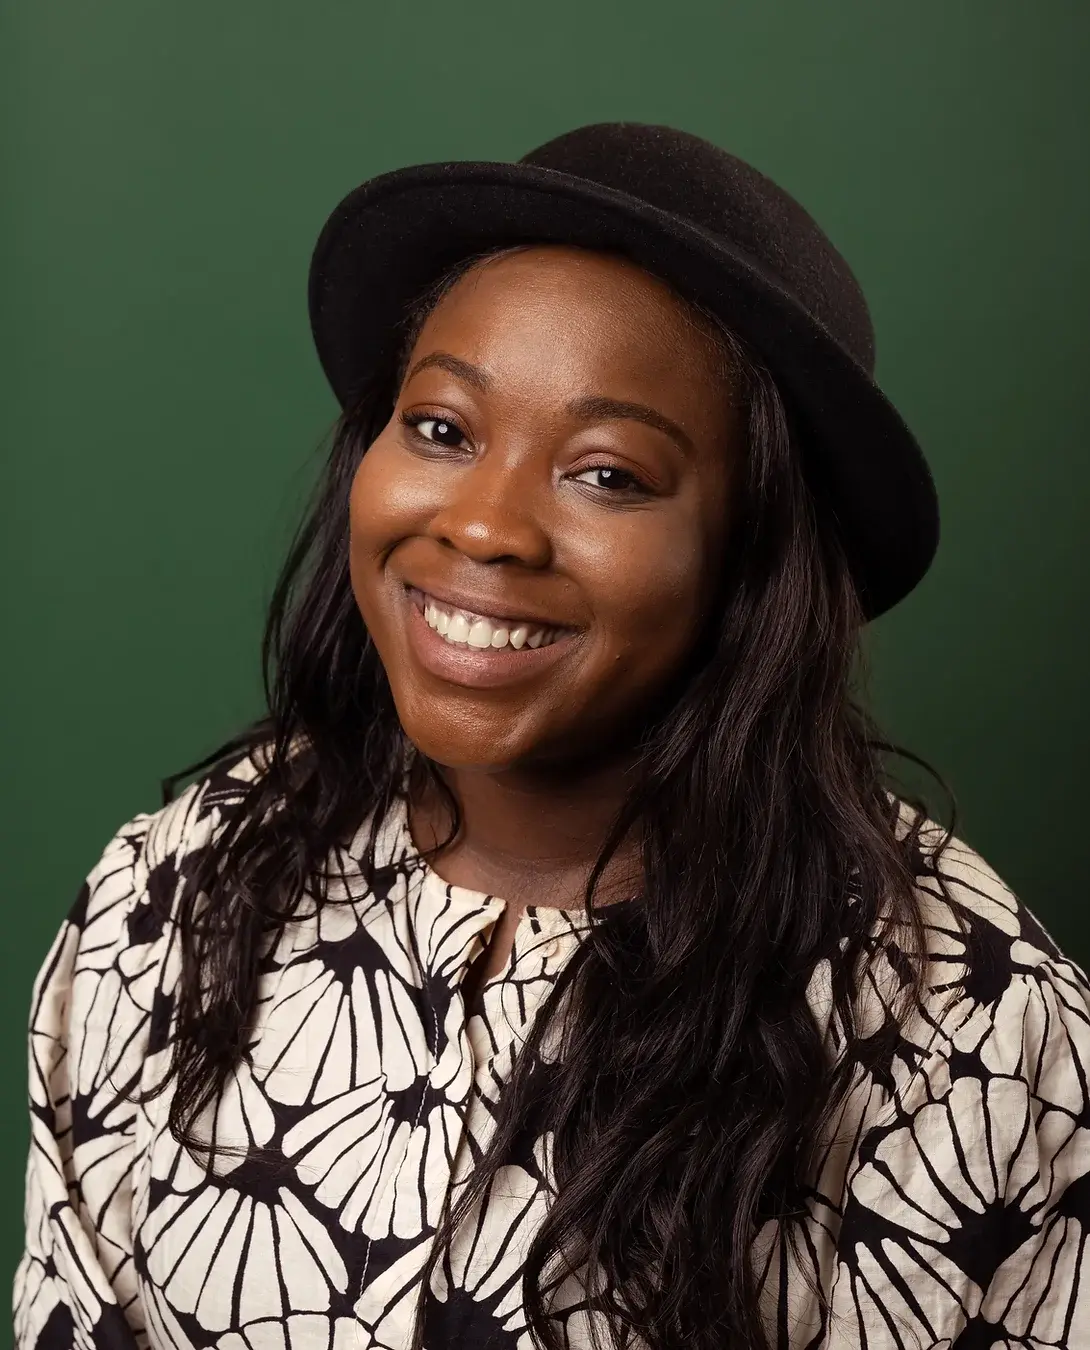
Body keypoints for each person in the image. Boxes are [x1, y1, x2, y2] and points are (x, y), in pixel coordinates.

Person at [13, 122, 1090, 1350]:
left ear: (752, 556)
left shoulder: (972, 1030)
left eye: (608, 475)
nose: (485, 527)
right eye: (442, 429)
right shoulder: (174, 897)